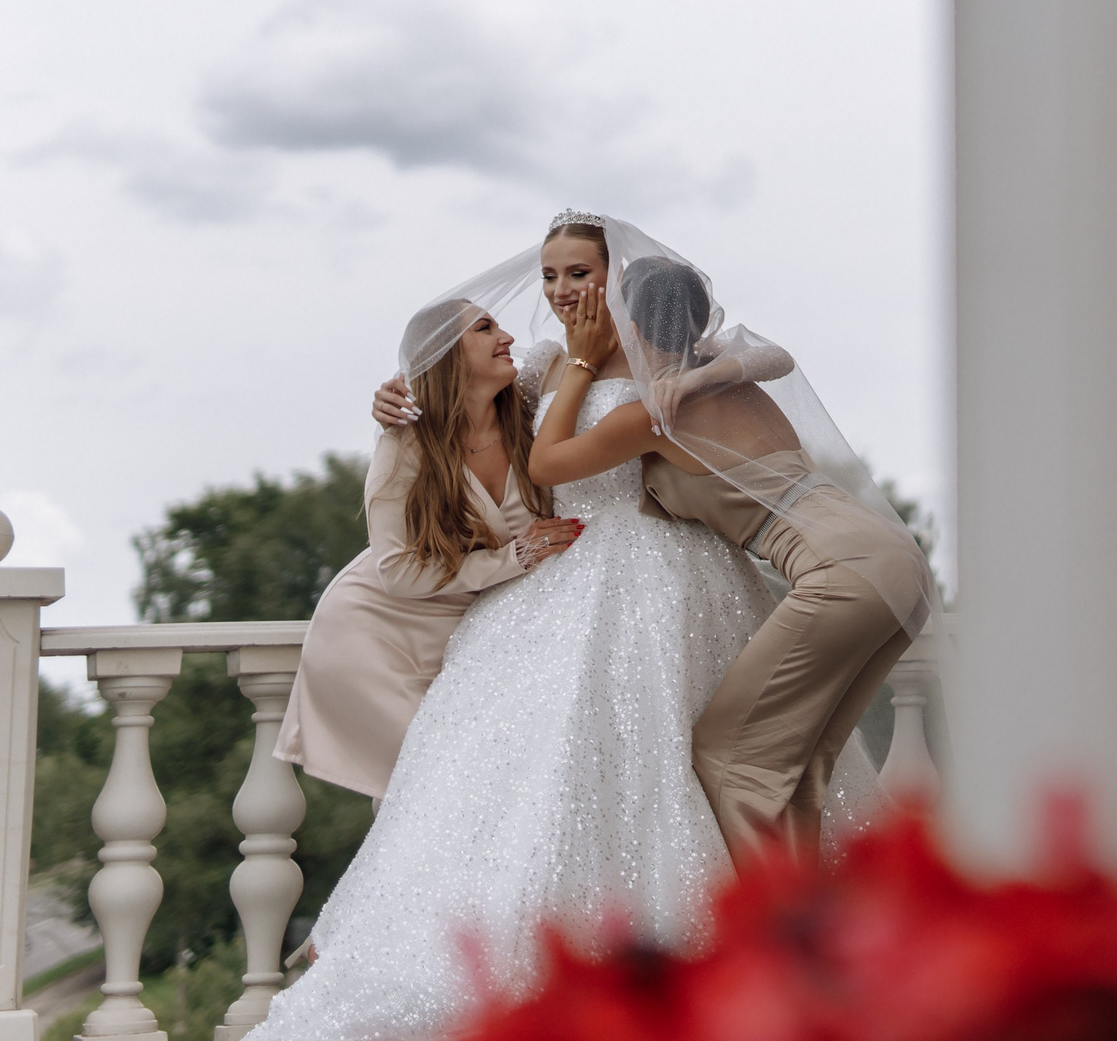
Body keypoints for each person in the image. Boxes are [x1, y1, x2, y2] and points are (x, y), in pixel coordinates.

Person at [253, 211, 868, 1041]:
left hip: (674, 564)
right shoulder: (543, 364)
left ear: (618, 276)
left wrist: (682, 382)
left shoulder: (662, 348)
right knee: (533, 769)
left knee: (687, 754)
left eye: (578, 272)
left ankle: (727, 967)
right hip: (559, 569)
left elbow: (767, 356)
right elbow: (464, 431)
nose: (559, 291)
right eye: (549, 276)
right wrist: (392, 390)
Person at [528, 250, 932, 858]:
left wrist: (583, 363)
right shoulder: (730, 377)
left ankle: (771, 935)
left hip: (840, 571)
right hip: (897, 560)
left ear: (631, 328)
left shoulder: (655, 413)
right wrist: (701, 372)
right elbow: (776, 357)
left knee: (727, 757)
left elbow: (544, 465)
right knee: (797, 768)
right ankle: (809, 925)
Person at [274, 299, 582, 800]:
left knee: (490, 779)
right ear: (448, 357)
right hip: (377, 632)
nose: (506, 336)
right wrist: (516, 557)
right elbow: (396, 571)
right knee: (437, 785)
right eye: (485, 328)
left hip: (469, 626)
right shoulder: (406, 441)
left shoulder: (528, 418)